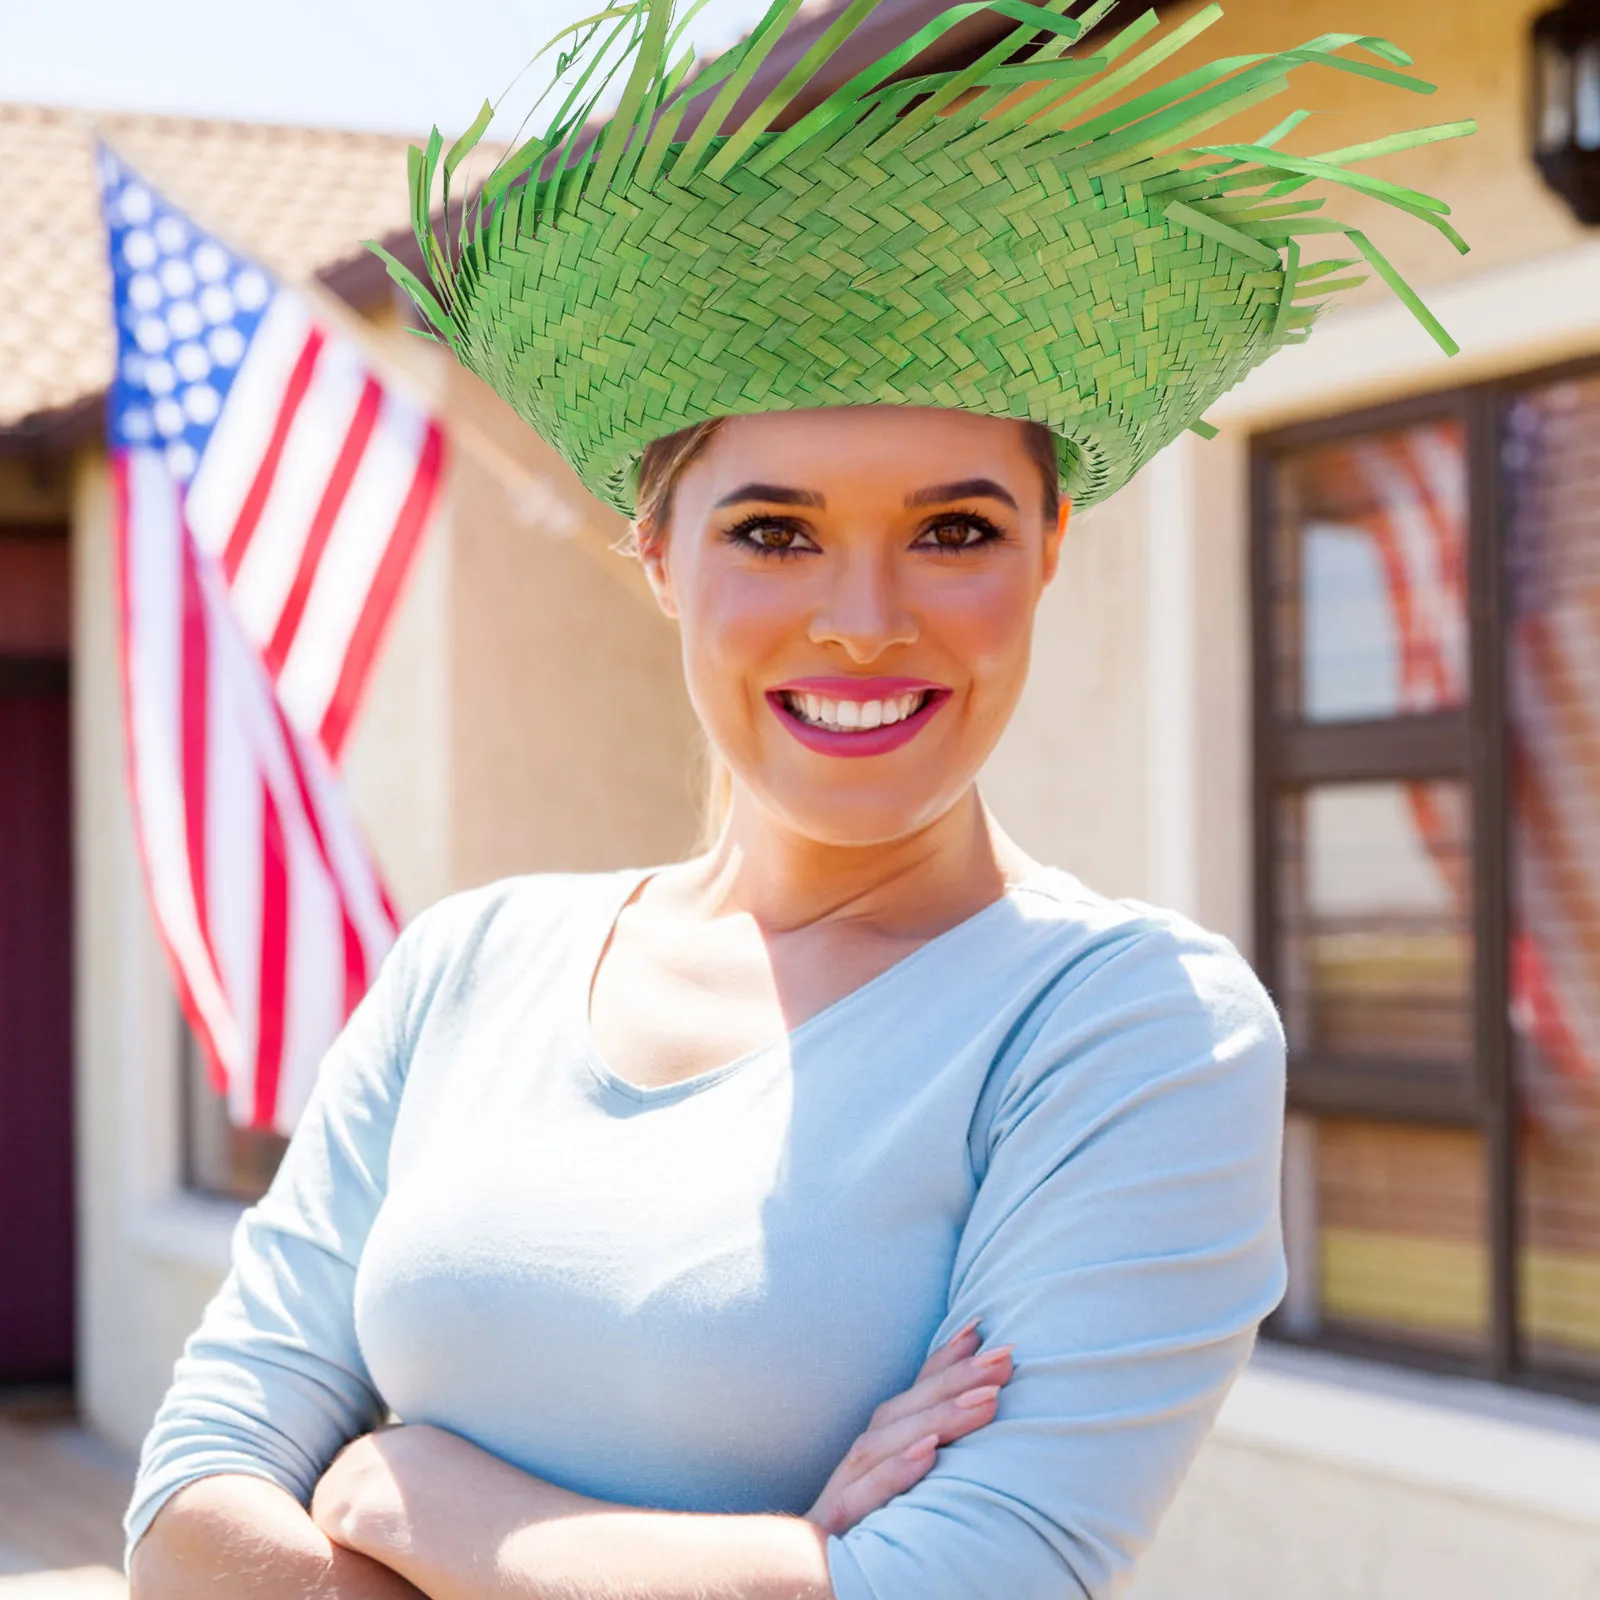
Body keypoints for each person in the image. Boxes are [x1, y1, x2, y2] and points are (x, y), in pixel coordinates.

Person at [123, 2, 1471, 1596]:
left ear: (1049, 547)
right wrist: (767, 1559)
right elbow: (184, 1520)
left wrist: (419, 1492)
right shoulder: (467, 971)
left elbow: (974, 1582)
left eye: (956, 531)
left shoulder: (1129, 1030)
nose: (864, 619)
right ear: (656, 549)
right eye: (774, 531)